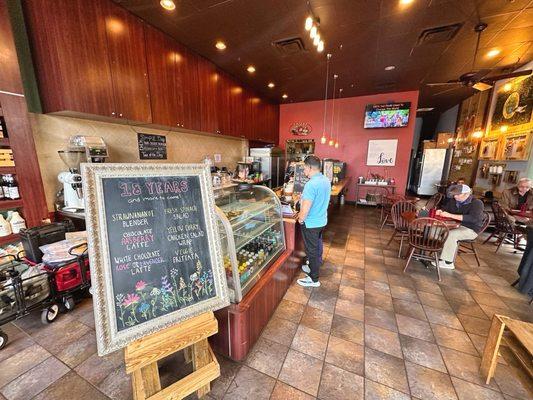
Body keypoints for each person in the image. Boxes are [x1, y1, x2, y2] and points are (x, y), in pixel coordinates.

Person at [296, 155, 331, 287]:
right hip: (322, 220)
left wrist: (300, 219)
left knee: (312, 251)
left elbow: (305, 209)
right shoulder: (325, 180)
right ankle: (312, 269)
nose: (304, 171)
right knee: (315, 249)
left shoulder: (311, 185)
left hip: (311, 223)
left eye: (304, 168)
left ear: (310, 168)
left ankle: (314, 279)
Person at [435, 184, 484, 269]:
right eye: (454, 194)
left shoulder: (477, 203)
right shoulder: (453, 201)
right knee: (434, 230)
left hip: (471, 229)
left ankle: (448, 262)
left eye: (458, 194)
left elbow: (473, 218)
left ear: (467, 194)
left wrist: (450, 215)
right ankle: (438, 253)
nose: (455, 197)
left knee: (451, 235)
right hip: (454, 225)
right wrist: (440, 211)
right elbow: (445, 209)